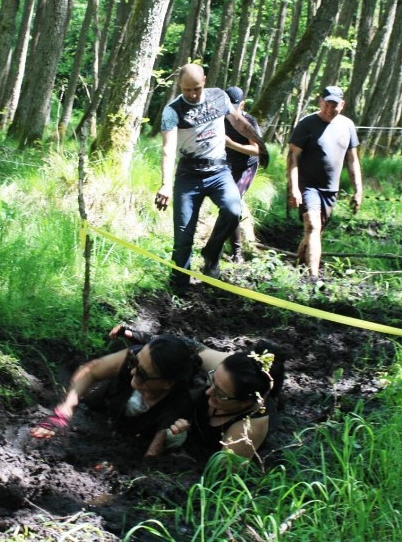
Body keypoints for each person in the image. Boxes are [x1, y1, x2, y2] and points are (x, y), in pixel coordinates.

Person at [155, 63, 268, 295]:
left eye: (196, 88)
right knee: (184, 235)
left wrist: (260, 144)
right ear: (180, 85)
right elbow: (168, 148)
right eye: (187, 90)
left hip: (219, 171)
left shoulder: (219, 97)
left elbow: (238, 121)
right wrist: (166, 184)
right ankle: (179, 288)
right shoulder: (172, 110)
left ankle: (211, 254)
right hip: (189, 175)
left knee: (233, 210)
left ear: (204, 81)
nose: (192, 94)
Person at [111, 325, 284, 461]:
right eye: (212, 380)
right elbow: (189, 346)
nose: (209, 392)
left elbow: (220, 479)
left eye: (220, 394)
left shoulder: (249, 427)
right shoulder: (229, 367)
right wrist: (140, 336)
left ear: (244, 403)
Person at [30, 334, 202, 457]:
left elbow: (151, 457)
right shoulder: (133, 359)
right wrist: (65, 410)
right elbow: (90, 370)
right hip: (92, 414)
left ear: (168, 383)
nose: (133, 370)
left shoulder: (178, 406)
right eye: (135, 362)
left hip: (121, 447)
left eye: (142, 373)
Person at [287, 85, 363, 280]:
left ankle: (299, 266)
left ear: (342, 105)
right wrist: (294, 188)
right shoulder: (307, 123)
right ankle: (313, 278)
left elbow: (352, 159)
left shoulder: (347, 126)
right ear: (320, 102)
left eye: (334, 106)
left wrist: (358, 190)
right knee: (312, 225)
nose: (329, 109)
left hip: (330, 189)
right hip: (307, 184)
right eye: (326, 104)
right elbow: (293, 156)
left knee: (314, 232)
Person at [223, 86, 265, 263]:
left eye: (233, 107)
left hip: (246, 166)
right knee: (224, 205)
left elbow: (257, 150)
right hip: (226, 165)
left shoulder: (248, 122)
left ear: (242, 105)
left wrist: (231, 144)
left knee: (233, 203)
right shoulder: (218, 118)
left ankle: (237, 253)